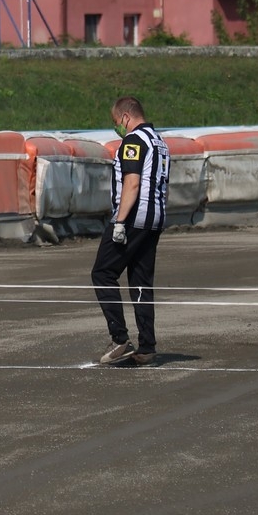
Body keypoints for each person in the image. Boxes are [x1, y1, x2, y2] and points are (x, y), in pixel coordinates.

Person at [92, 96, 171, 365]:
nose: (117, 128)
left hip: (134, 218)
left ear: (126, 117)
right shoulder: (160, 142)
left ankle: (119, 339)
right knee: (140, 281)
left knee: (103, 272)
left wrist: (119, 222)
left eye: (116, 123)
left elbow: (132, 183)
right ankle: (147, 346)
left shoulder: (134, 141)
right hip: (155, 219)